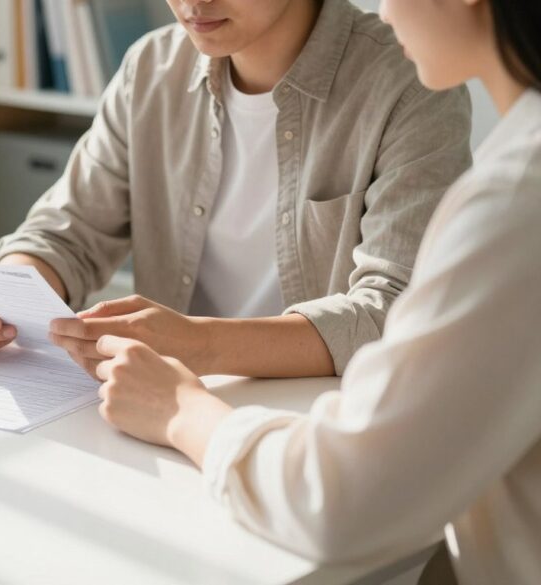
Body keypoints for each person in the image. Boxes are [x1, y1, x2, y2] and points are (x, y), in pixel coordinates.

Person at [90, 0, 541, 581]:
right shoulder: (515, 178)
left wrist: (181, 409)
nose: (381, 6)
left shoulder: (513, 204)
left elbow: (347, 496)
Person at [0, 0, 472, 380]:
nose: (193, 1)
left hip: (319, 422)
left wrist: (200, 344)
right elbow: (67, 231)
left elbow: (395, 312)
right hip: (162, 405)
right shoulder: (151, 67)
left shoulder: (409, 83)